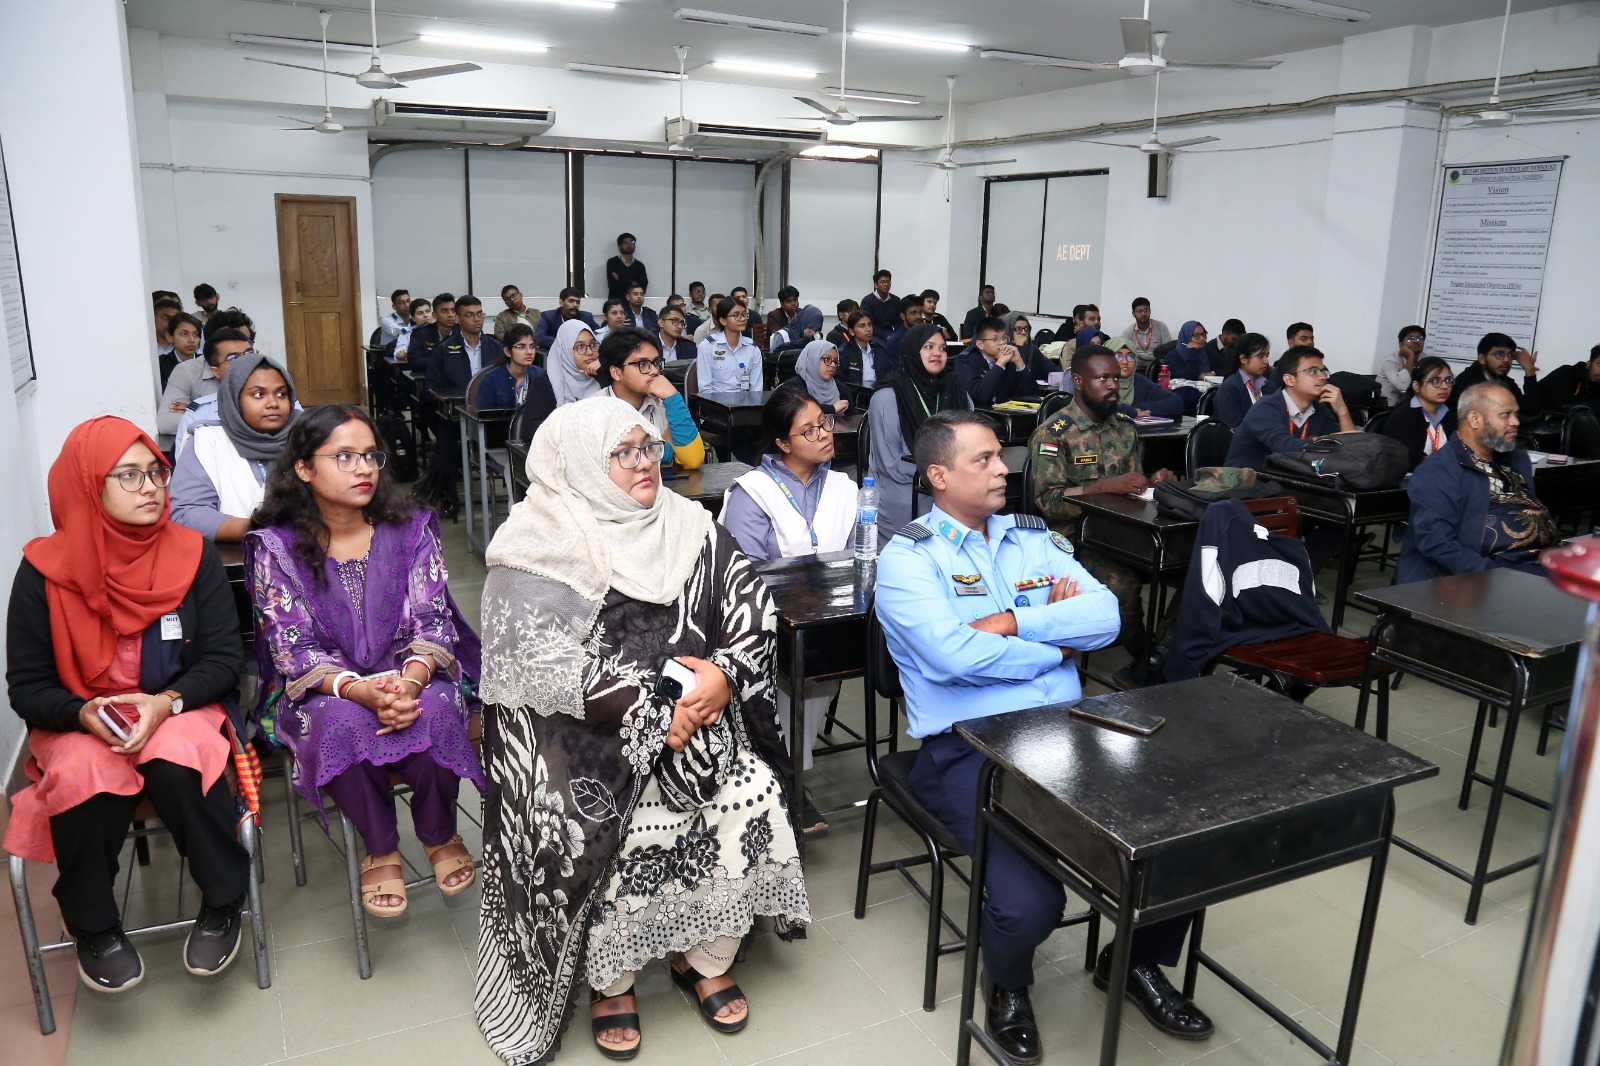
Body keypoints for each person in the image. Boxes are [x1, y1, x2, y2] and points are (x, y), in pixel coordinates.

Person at [474, 398, 808, 1064]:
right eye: (621, 453)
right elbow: (534, 665)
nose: (643, 463)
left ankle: (703, 954)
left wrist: (724, 676)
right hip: (582, 743)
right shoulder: (537, 544)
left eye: (648, 447)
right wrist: (651, 710)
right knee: (601, 824)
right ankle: (613, 979)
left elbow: (752, 608)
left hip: (698, 723)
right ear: (579, 466)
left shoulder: (690, 525)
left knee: (750, 789)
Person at [878, 410, 1209, 1063]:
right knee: (1031, 903)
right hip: (971, 747)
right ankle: (1007, 984)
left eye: (1000, 456)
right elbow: (950, 658)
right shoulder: (908, 558)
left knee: (1181, 843)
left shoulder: (1032, 538)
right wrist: (1055, 647)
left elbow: (1105, 617)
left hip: (1070, 730)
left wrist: (1011, 623)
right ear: (939, 476)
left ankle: (1132, 964)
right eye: (983, 460)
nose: (1004, 469)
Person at [4, 417, 251, 991]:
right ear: (88, 485)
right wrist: (83, 714)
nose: (151, 488)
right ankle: (94, 926)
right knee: (82, 772)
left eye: (156, 474)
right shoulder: (42, 573)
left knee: (176, 760)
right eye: (129, 476)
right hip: (82, 718)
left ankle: (223, 901)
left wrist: (165, 704)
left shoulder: (192, 554)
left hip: (177, 705)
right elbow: (29, 689)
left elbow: (222, 661)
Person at [247, 405, 484, 919]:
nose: (364, 468)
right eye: (344, 457)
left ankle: (438, 831)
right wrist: (358, 689)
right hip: (323, 685)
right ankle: (380, 846)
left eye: (371, 456)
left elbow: (433, 621)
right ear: (304, 468)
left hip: (412, 671)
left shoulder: (412, 529)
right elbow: (293, 648)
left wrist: (410, 682)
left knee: (435, 707)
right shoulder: (276, 548)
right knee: (340, 721)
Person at [719, 388, 856, 834]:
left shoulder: (844, 487)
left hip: (826, 621)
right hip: (764, 622)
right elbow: (744, 574)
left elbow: (859, 557)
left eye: (824, 423)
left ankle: (790, 774)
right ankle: (781, 777)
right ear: (782, 443)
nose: (824, 434)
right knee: (792, 665)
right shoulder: (753, 493)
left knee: (828, 658)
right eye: (809, 430)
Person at [1031, 346, 1178, 688]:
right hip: (1075, 536)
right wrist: (1103, 487)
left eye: (1115, 377)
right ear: (1079, 382)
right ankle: (1145, 659)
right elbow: (1048, 502)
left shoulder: (1125, 428)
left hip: (1127, 530)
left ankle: (1162, 651)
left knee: (1198, 567)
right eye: (1103, 378)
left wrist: (1153, 484)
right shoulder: (1054, 434)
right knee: (1120, 584)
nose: (1113, 385)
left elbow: (1132, 488)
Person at [1398, 383, 1557, 583]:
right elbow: (1436, 542)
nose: (1515, 422)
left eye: (1516, 414)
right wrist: (1491, 574)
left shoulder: (1516, 459)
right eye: (1505, 415)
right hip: (1484, 575)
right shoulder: (1438, 470)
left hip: (1540, 564)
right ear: (1474, 419)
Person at [170, 353, 298, 542]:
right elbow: (187, 513)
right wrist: (262, 531)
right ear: (234, 399)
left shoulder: (308, 436)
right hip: (232, 557)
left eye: (281, 394)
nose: (273, 403)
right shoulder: (207, 441)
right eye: (258, 394)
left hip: (309, 553)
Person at [866, 324, 972, 541]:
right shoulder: (887, 396)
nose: (937, 353)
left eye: (942, 348)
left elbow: (972, 440)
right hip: (904, 485)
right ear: (912, 351)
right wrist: (941, 477)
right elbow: (891, 464)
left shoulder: (955, 388)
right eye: (929, 347)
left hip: (949, 482)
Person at [1224, 346, 1355, 471]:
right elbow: (1285, 448)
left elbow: (1351, 450)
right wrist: (1329, 441)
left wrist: (1342, 411)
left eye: (1323, 371)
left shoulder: (1320, 410)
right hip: (1247, 482)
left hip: (1292, 480)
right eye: (1313, 371)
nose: (1323, 377)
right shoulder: (1265, 408)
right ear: (1289, 380)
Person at [598, 325, 705, 469]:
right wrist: (665, 449)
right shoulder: (594, 410)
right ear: (616, 373)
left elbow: (693, 460)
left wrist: (674, 398)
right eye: (643, 364)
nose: (654, 371)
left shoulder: (663, 403)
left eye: (655, 363)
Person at [159, 322, 239, 442]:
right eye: (232, 356)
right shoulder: (186, 370)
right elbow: (165, 422)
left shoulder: (259, 371)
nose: (243, 359)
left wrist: (200, 412)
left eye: (248, 351)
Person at [1379, 356, 1457, 470]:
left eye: (1448, 380)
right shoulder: (1403, 417)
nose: (1444, 386)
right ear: (1417, 386)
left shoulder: (1450, 415)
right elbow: (1406, 461)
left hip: (1443, 473)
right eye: (1435, 381)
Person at [1449, 331, 1542, 420]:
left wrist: (1530, 370)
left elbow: (1530, 411)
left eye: (1510, 355)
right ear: (1482, 358)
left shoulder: (1506, 382)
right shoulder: (1468, 382)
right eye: (1499, 354)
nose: (1506, 360)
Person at [425, 294, 506, 392]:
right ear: (458, 318)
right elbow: (433, 387)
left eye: (479, 314)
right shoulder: (443, 349)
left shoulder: (496, 346)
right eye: (469, 315)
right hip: (457, 400)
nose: (477, 319)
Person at [956, 316, 1042, 406]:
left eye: (1004, 338)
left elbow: (1032, 393)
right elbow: (978, 395)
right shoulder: (966, 361)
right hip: (980, 412)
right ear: (980, 344)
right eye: (995, 339)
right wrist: (1000, 364)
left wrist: (1019, 362)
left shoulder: (1009, 360)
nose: (1002, 343)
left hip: (1006, 412)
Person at [477, 324, 558, 417]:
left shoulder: (542, 377)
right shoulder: (490, 380)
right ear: (508, 351)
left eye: (532, 346)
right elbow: (485, 418)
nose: (529, 352)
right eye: (521, 347)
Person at [695, 295, 761, 393]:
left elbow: (756, 389)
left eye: (744, 314)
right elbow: (705, 389)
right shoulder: (707, 347)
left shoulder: (752, 348)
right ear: (723, 321)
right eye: (736, 315)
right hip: (714, 401)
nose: (743, 319)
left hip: (745, 400)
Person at [1107, 337, 1184, 419]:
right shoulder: (1100, 382)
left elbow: (1176, 403)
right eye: (1118, 356)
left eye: (1130, 356)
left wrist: (1140, 409)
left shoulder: (1139, 382)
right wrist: (1130, 411)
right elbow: (1100, 408)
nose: (1125, 362)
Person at [1211, 332, 1275, 429]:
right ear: (1243, 359)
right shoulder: (1229, 389)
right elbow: (1232, 427)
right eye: (1260, 356)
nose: (1266, 361)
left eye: (1267, 356)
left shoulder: (1269, 387)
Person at [547, 318, 603, 406]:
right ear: (565, 350)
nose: (590, 352)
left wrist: (602, 375)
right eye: (580, 346)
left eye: (593, 344)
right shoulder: (546, 384)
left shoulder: (604, 376)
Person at [789, 339, 851, 415]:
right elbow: (799, 411)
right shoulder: (793, 388)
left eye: (835, 361)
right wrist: (832, 409)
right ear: (812, 359)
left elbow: (854, 418)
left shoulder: (840, 388)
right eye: (827, 359)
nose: (833, 365)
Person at [1535, 343, 1600, 413]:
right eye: (1599, 364)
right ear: (1589, 364)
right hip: (1532, 415)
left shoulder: (1596, 386)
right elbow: (1564, 405)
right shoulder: (1567, 372)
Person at [837, 308, 889, 387]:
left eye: (870, 325)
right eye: (862, 326)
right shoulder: (844, 352)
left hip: (879, 392)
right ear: (851, 331)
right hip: (854, 393)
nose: (868, 329)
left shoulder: (880, 349)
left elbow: (888, 375)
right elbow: (840, 381)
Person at [1376, 325, 1426, 406]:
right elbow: (1402, 385)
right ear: (1401, 344)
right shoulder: (1391, 361)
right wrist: (1411, 356)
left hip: (1413, 404)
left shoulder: (1426, 360)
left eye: (1420, 338)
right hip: (1387, 406)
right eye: (1410, 339)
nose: (1416, 341)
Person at [406, 293, 456, 372]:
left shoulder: (463, 332)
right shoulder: (421, 334)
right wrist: (443, 363)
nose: (450, 315)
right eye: (444, 311)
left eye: (453, 311)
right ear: (434, 315)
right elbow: (414, 361)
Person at [1120, 297, 1171, 362]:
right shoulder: (1127, 332)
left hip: (1157, 362)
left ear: (1150, 311)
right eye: (1139, 311)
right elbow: (1123, 353)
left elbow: (1168, 350)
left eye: (1146, 310)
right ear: (1133, 313)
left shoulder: (1161, 327)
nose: (1143, 314)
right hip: (1137, 363)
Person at [1002, 311, 1048, 378]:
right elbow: (1016, 377)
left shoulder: (1032, 349)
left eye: (1026, 329)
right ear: (1008, 330)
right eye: (1018, 329)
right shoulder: (1003, 351)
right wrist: (1019, 347)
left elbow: (1053, 369)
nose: (1023, 333)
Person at [605, 232, 648, 301]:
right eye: (625, 243)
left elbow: (643, 289)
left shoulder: (640, 266)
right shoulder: (612, 262)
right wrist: (633, 283)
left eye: (632, 242)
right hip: (616, 303)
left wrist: (620, 279)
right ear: (619, 247)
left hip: (634, 304)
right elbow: (613, 286)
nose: (629, 245)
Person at [154, 298, 184, 388]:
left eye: (175, 319)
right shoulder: (145, 347)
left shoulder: (184, 347)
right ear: (153, 317)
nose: (171, 323)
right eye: (166, 318)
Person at [861, 269, 899, 335]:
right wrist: (886, 336)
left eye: (888, 282)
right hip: (873, 334)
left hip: (891, 334)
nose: (886, 284)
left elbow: (898, 322)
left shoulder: (896, 300)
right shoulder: (867, 301)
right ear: (876, 284)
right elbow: (868, 324)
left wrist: (896, 335)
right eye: (882, 282)